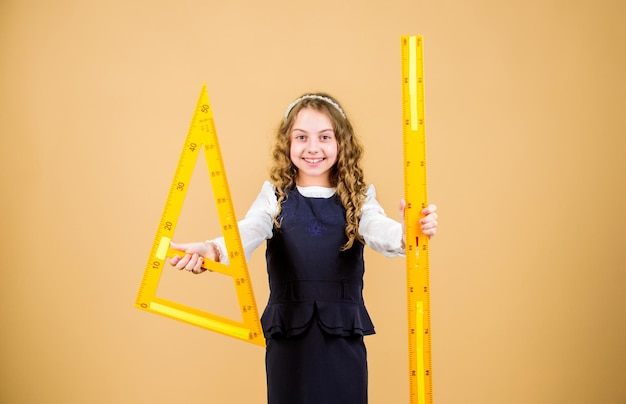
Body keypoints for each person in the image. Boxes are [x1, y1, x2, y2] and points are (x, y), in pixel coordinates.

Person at [169, 93, 438, 404]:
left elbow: (379, 229)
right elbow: (248, 230)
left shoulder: (359, 197)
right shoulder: (274, 196)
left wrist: (407, 233)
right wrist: (211, 249)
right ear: (287, 143)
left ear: (342, 143)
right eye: (301, 137)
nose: (313, 147)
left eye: (325, 137)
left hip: (342, 338)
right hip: (288, 338)